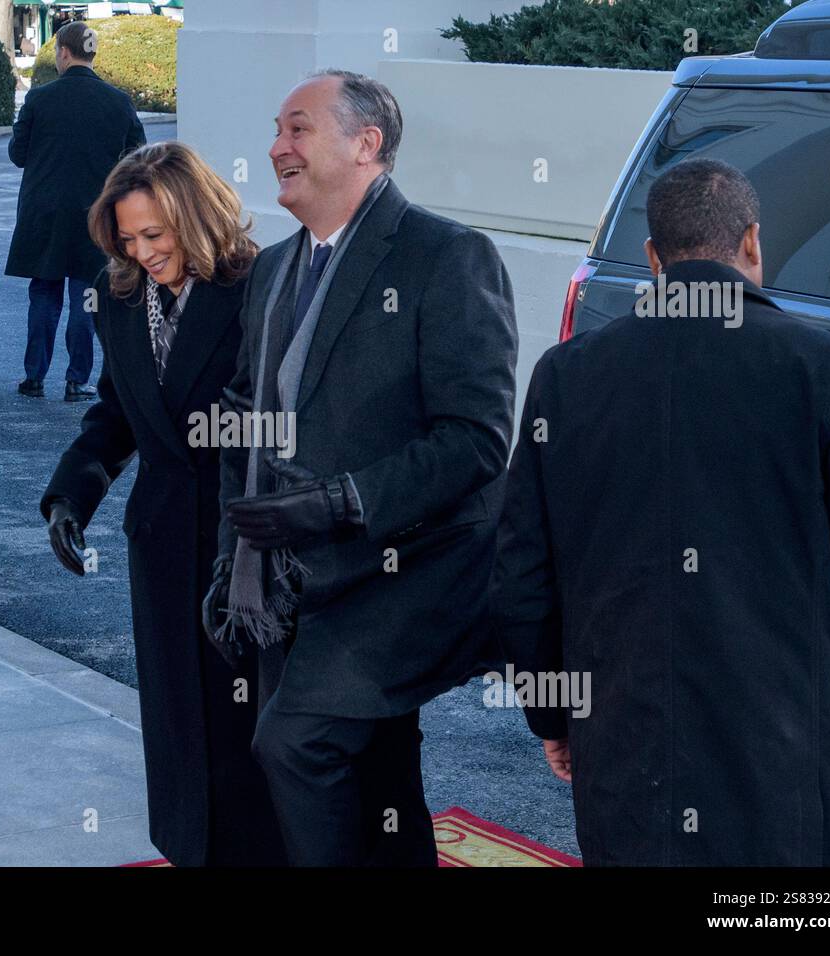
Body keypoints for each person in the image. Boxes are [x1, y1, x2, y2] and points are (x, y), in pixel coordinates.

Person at [493, 158, 830, 865]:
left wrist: (554, 714)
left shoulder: (566, 376)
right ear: (752, 244)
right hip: (791, 771)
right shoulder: (826, 368)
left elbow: (523, 573)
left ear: (652, 258)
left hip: (626, 749)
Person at [205, 70, 518, 866]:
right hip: (291, 576)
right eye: (277, 128)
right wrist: (229, 559)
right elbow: (243, 428)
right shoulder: (272, 271)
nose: (277, 146)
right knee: (376, 772)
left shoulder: (448, 256)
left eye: (299, 128)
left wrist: (340, 503)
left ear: (366, 143)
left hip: (408, 569)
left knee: (295, 745)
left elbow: (477, 439)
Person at [39, 141, 286, 866]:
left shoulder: (260, 285)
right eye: (128, 238)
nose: (141, 252)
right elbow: (117, 413)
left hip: (245, 549)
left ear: (196, 216)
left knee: (248, 733)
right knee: (177, 728)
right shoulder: (117, 295)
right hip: (161, 545)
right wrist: (71, 496)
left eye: (155, 234)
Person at [6, 21, 145, 401]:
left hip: (44, 214)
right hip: (95, 215)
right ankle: (76, 380)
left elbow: (18, 155)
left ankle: (34, 377)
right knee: (87, 296)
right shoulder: (118, 102)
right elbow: (136, 159)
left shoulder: (39, 99)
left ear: (64, 53)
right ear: (92, 54)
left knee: (44, 294)